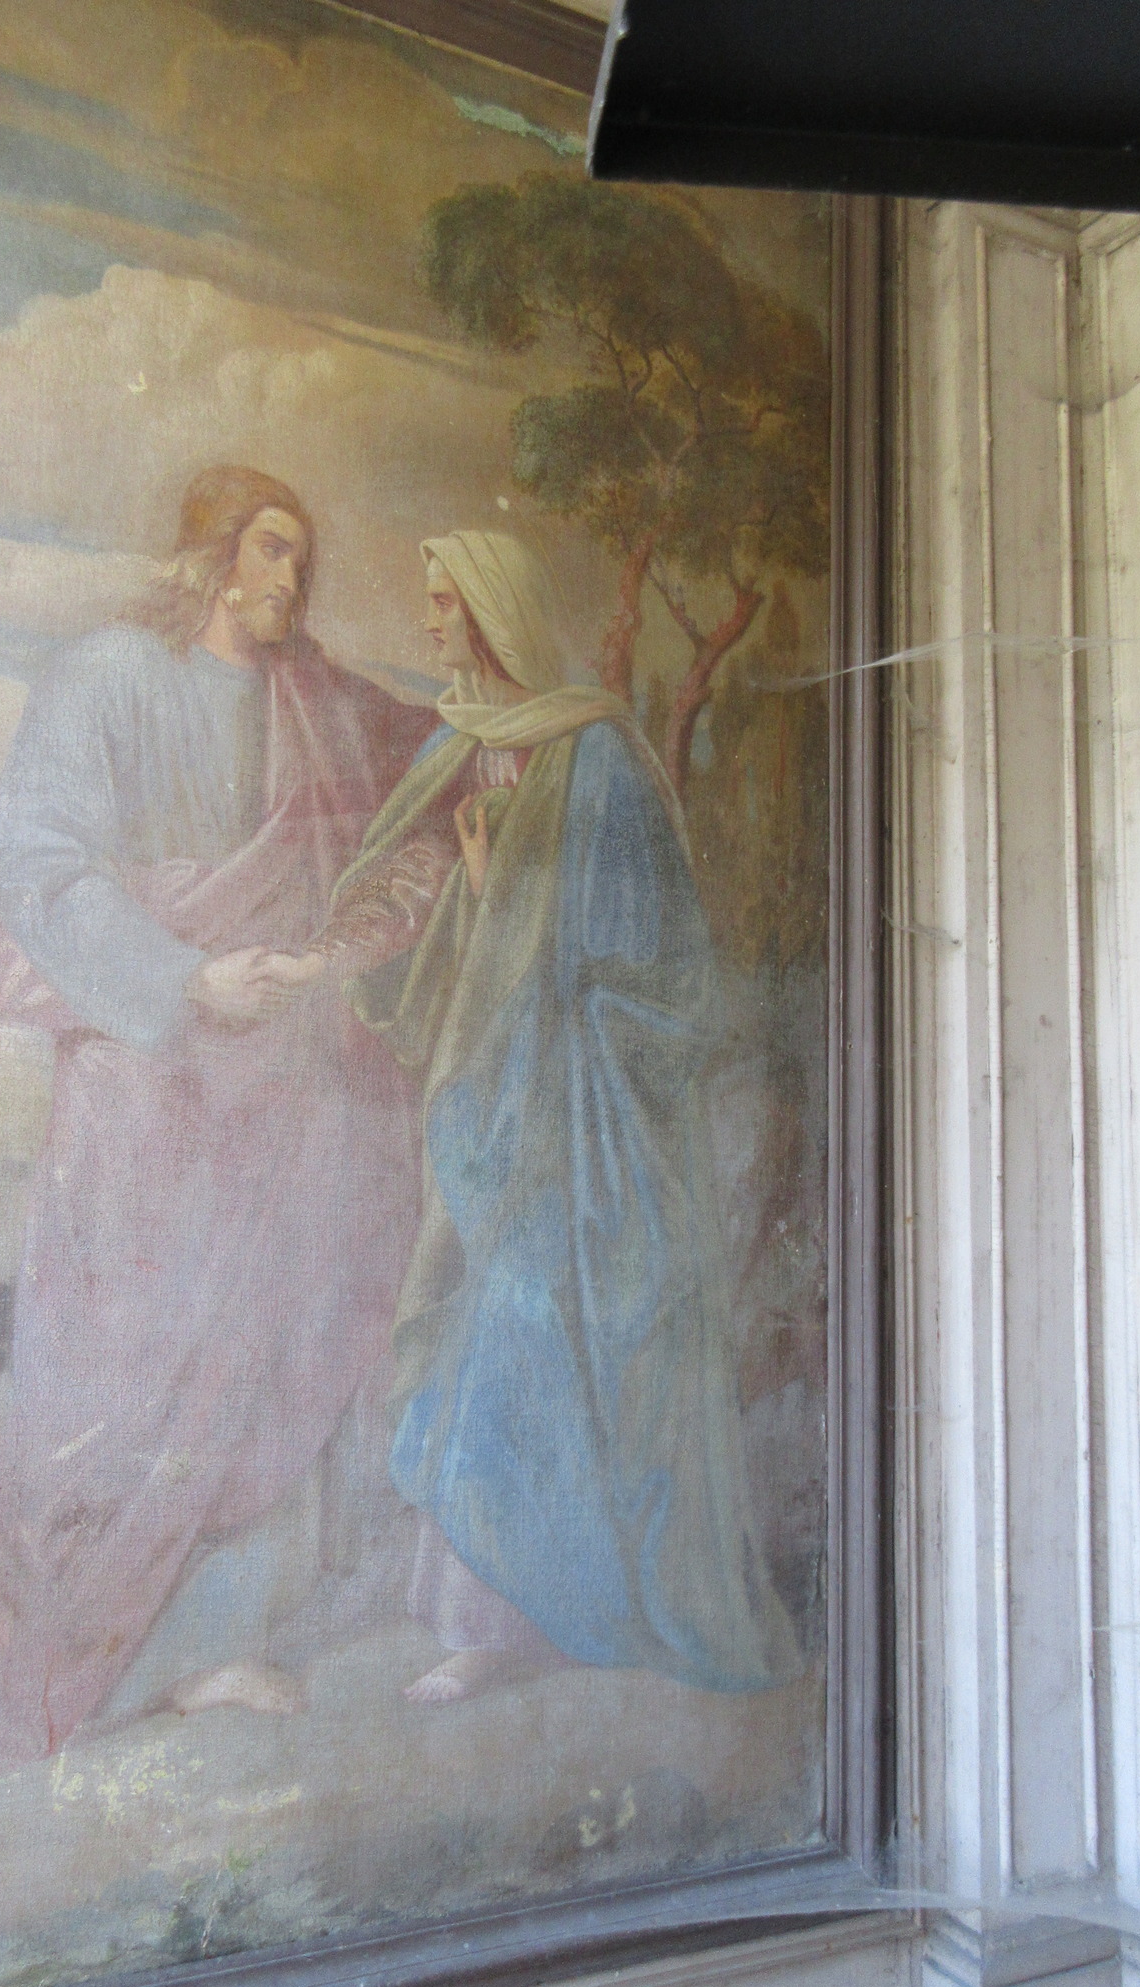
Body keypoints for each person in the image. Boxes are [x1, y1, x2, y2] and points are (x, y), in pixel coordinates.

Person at [0, 467, 435, 1792]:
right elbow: (41, 870)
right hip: (143, 1080)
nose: (289, 579)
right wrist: (187, 978)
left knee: (260, 1363)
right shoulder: (109, 677)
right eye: (270, 550)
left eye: (301, 558)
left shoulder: (312, 696)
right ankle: (31, 1607)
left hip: (280, 1091)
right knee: (109, 1371)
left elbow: (431, 750)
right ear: (213, 555)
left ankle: (198, 1648)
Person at [291, 532, 799, 1704]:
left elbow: (649, 953)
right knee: (486, 1328)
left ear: (491, 612)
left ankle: (559, 1613)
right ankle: (492, 1613)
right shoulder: (460, 748)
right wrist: (463, 903)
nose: (430, 626)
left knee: (544, 1336)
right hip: (494, 1102)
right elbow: (442, 938)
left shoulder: (596, 755)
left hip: (584, 1113)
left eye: (443, 604)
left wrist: (508, 897)